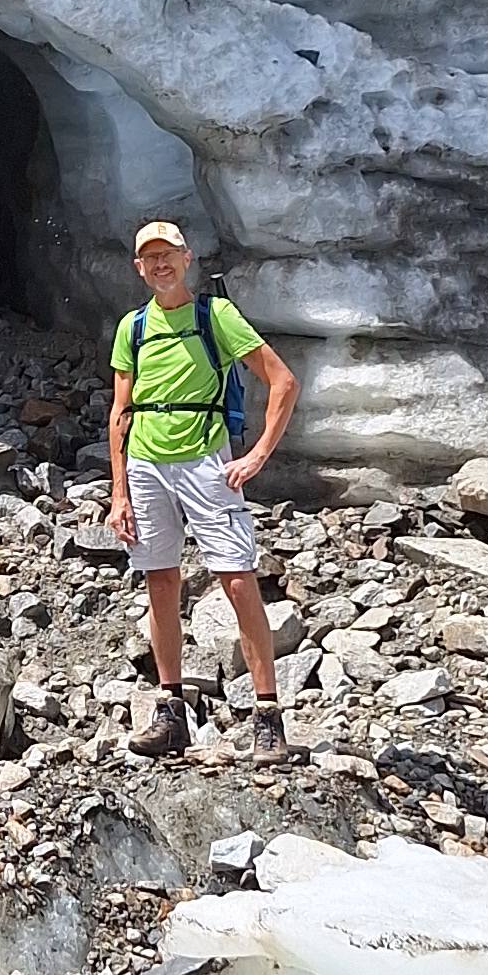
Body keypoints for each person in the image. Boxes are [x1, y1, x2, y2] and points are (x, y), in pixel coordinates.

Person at [107, 220, 300, 762]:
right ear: (139, 267)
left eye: (168, 254)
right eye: (150, 257)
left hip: (205, 462)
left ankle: (268, 716)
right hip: (146, 464)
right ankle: (171, 712)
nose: (160, 264)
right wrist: (119, 493)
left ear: (186, 259)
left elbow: (282, 380)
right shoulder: (133, 328)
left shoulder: (215, 316)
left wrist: (257, 455)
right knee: (160, 581)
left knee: (237, 579)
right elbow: (120, 413)